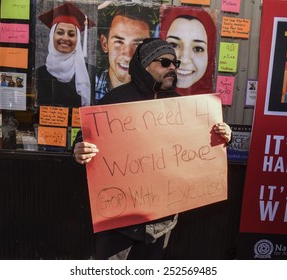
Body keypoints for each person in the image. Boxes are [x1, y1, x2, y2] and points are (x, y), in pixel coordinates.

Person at [73, 38, 232, 260]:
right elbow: (84, 139)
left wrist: (224, 135)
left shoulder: (184, 106)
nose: (173, 68)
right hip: (118, 223)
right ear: (145, 65)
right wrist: (79, 149)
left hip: (162, 224)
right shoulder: (114, 100)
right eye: (165, 62)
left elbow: (202, 147)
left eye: (175, 63)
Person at [95, 4, 159, 103]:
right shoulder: (85, 87)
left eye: (138, 45)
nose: (128, 56)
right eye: (119, 42)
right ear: (104, 44)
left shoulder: (157, 95)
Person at [36, 2, 95, 107]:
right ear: (52, 36)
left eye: (71, 34)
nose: (65, 38)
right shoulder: (39, 73)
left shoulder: (89, 72)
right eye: (60, 32)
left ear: (77, 39)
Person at [159, 6, 216, 95]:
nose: (184, 60)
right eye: (174, 45)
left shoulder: (210, 105)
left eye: (198, 49)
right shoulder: (144, 97)